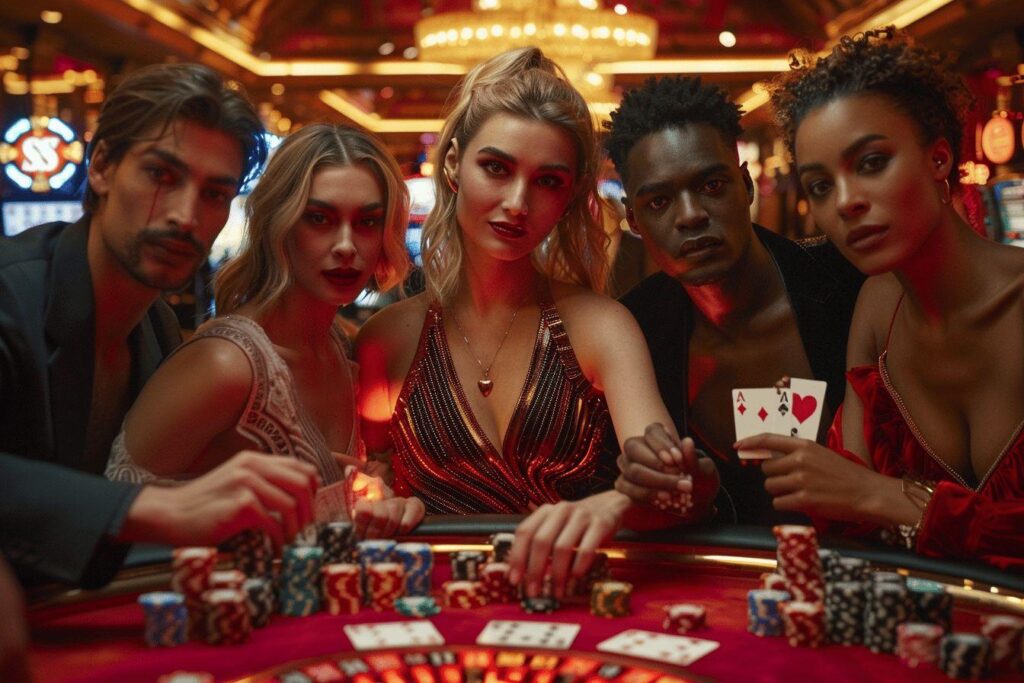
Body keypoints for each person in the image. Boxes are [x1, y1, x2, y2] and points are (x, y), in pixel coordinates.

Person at [355, 48, 713, 597]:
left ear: (568, 198)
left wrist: (622, 502)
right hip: (431, 609)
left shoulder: (602, 327)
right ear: (453, 165)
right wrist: (381, 499)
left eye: (547, 181)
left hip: (570, 605)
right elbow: (365, 485)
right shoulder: (385, 340)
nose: (518, 203)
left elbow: (672, 485)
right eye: (496, 168)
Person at [0, 63, 324, 589]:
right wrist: (151, 508)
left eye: (214, 194)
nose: (184, 215)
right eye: (161, 176)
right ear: (103, 166)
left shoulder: (156, 324)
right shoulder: (10, 295)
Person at [732, 27, 1024, 570]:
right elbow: (854, 527)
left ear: (939, 159)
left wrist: (882, 496)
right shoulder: (876, 307)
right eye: (820, 185)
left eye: (870, 163)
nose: (845, 203)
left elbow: (869, 496)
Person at [106, 123, 425, 538]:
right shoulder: (226, 363)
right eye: (319, 218)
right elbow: (109, 514)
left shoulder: (339, 347)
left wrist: (378, 499)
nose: (346, 245)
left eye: (367, 222)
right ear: (280, 223)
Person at [604, 76, 863, 525]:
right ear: (632, 218)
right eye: (660, 200)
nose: (690, 215)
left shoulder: (849, 285)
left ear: (745, 186)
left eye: (711, 186)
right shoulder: (633, 332)